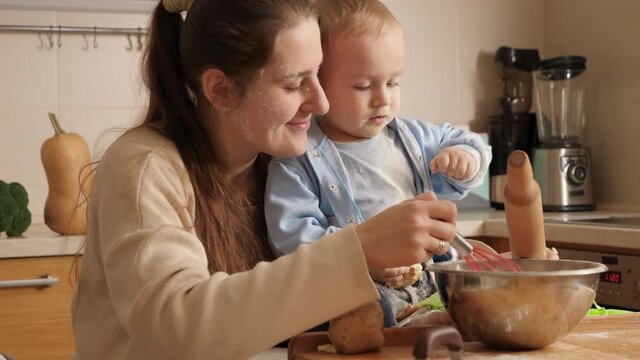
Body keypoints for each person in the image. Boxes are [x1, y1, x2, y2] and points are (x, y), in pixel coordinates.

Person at [70, 0, 463, 359]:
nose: (322, 103)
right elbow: (177, 327)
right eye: (294, 84)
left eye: (320, 76)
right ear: (221, 90)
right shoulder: (144, 167)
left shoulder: (280, 164)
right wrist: (358, 251)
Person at [264, 0, 491, 326]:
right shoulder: (298, 159)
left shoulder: (411, 138)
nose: (383, 98)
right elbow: (293, 240)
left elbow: (463, 142)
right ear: (319, 84)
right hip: (367, 285)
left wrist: (464, 157)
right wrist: (362, 261)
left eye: (393, 82)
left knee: (475, 288)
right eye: (363, 86)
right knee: (370, 310)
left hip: (430, 271)